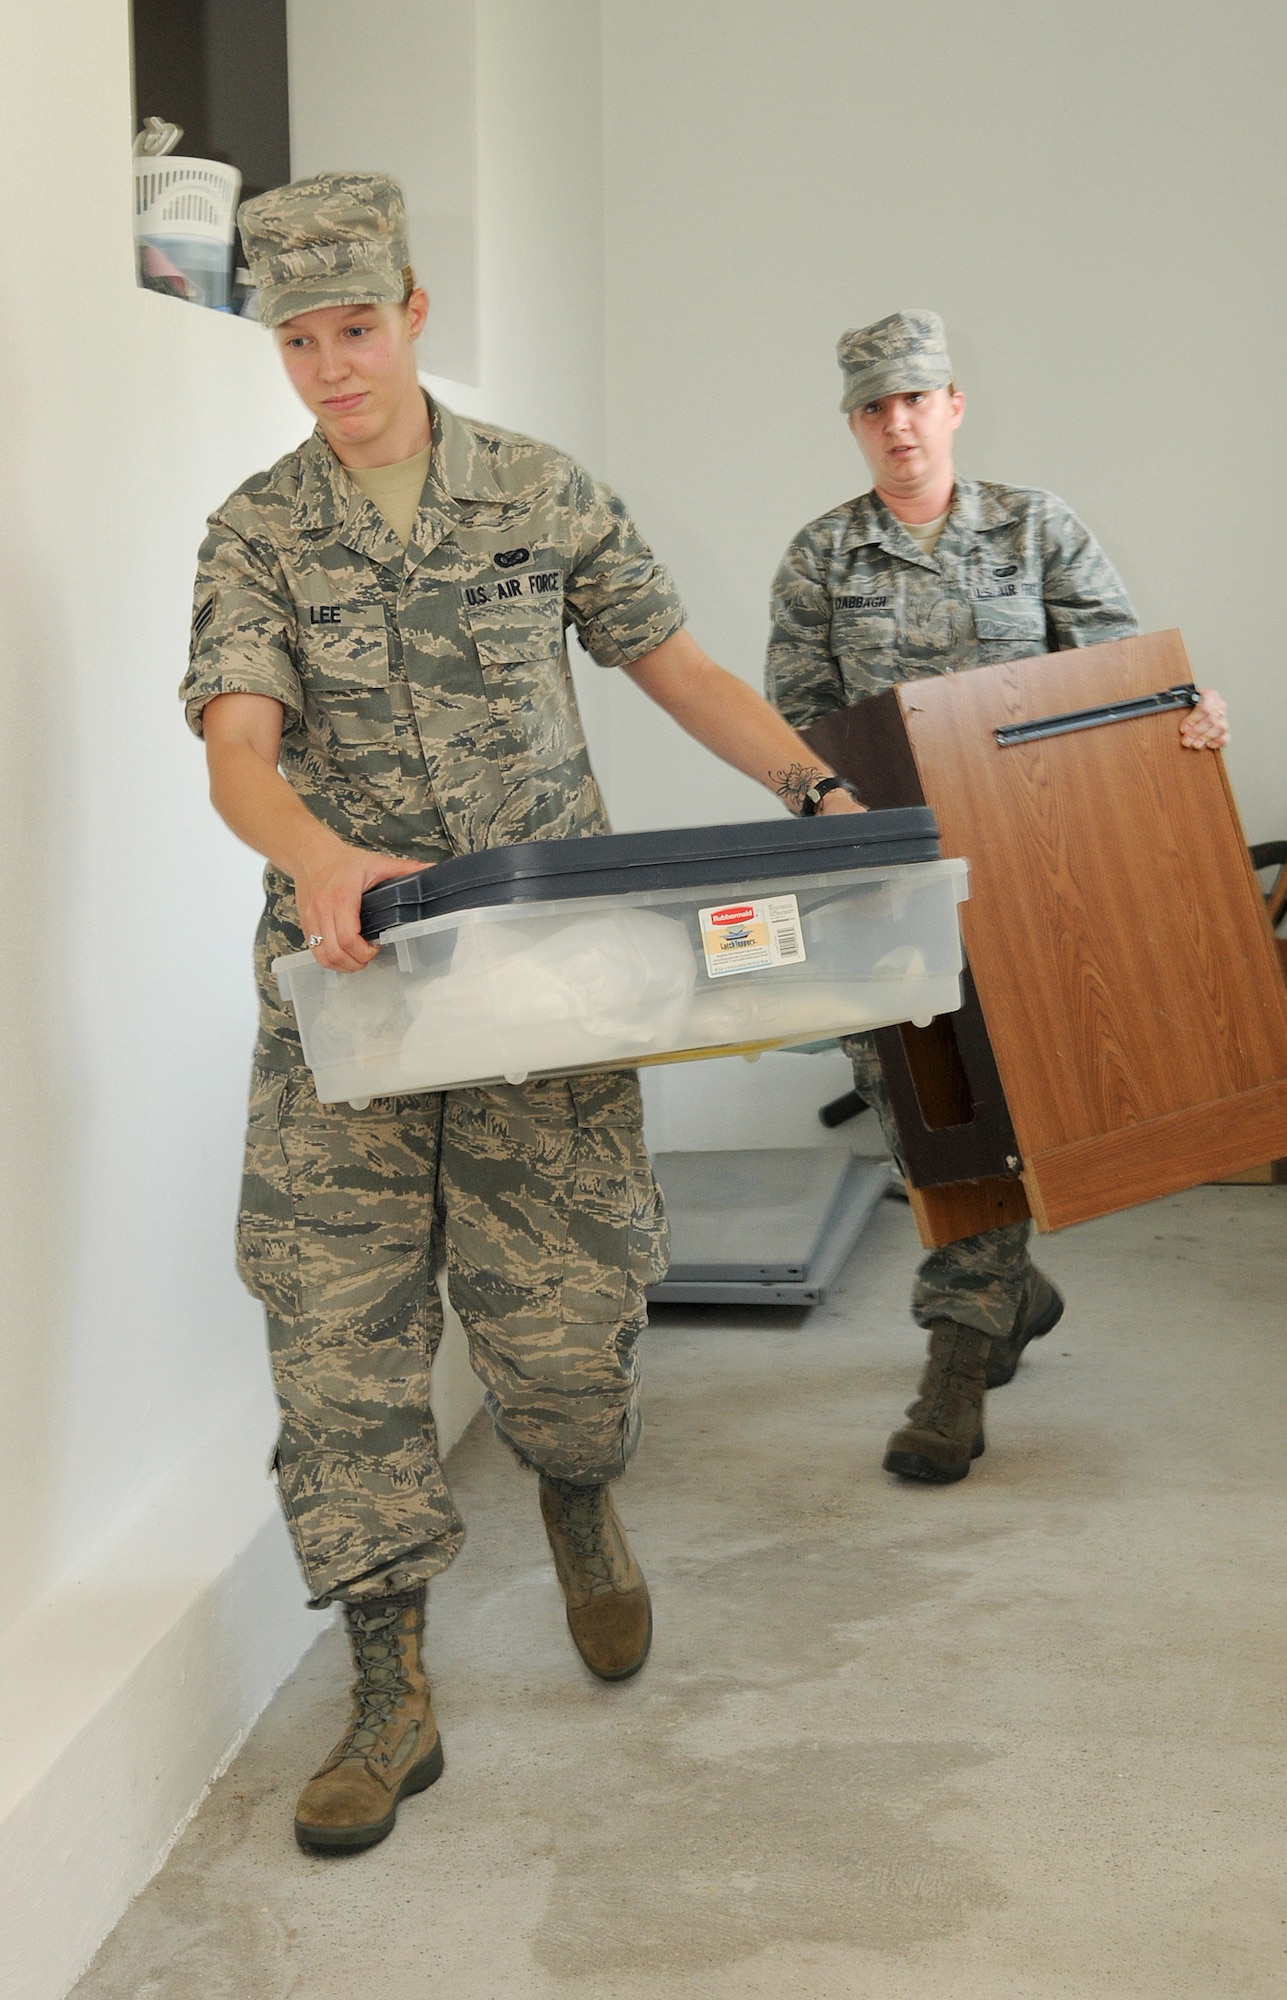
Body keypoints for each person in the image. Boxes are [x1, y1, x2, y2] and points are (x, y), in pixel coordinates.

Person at [181, 173, 863, 1856]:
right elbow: (236, 753)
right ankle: (388, 1690)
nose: (332, 368)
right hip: (349, 1003)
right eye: (298, 340)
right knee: (338, 1344)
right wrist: (324, 858)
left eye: (356, 328)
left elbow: (676, 664)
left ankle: (576, 1500)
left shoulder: (537, 493)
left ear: (413, 312)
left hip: (541, 985)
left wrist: (813, 787)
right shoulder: (257, 530)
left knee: (561, 1330)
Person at [765, 309, 1229, 1489]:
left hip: (1034, 866)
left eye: (915, 399)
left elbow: (1114, 679)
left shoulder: (1035, 527)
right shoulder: (822, 557)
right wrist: (832, 815)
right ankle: (1000, 1295)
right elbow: (794, 733)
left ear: (953, 405)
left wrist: (1187, 711)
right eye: (873, 406)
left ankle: (958, 1359)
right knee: (929, 1104)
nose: (897, 423)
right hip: (893, 876)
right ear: (854, 424)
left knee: (1010, 1086)